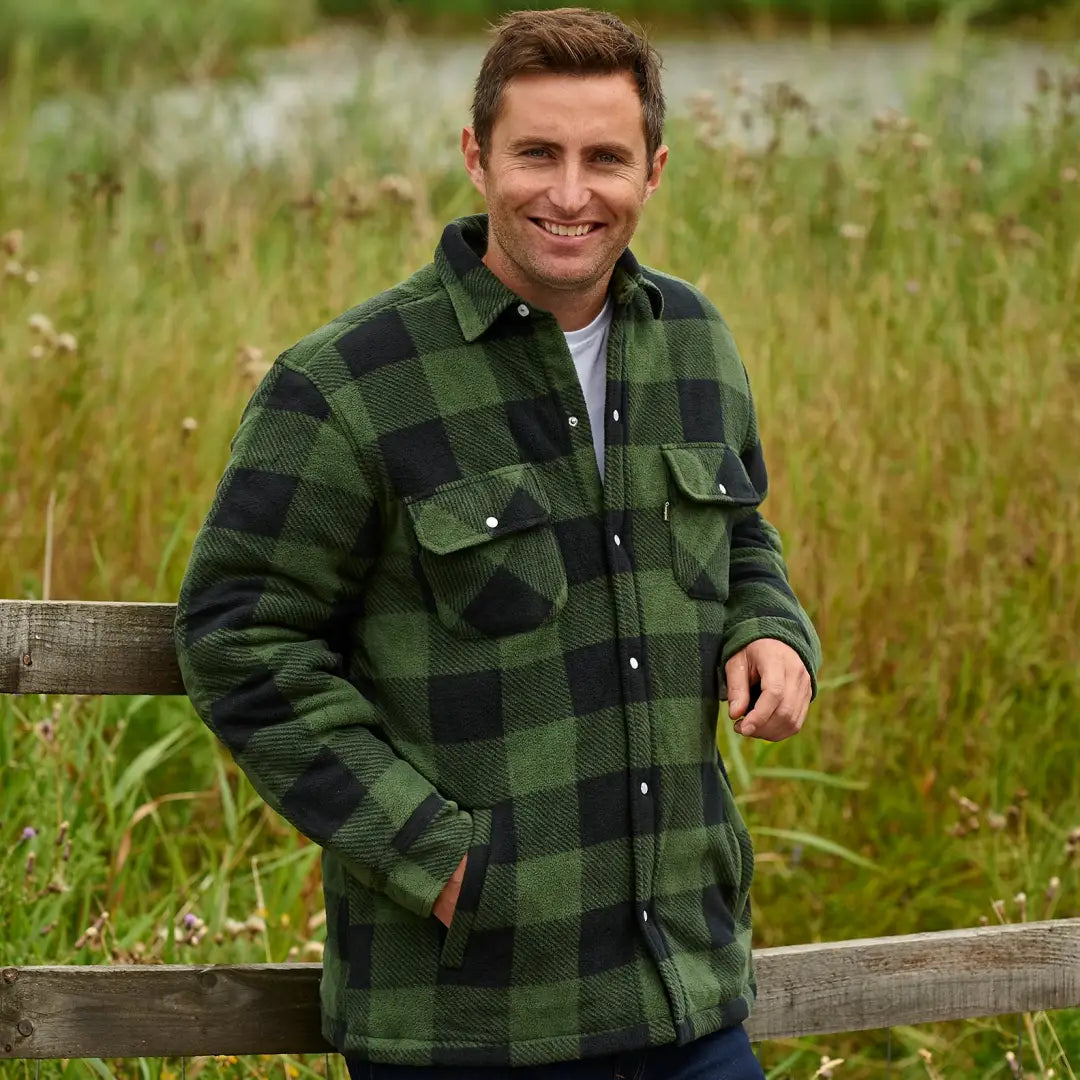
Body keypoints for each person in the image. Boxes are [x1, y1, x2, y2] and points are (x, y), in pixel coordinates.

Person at [173, 7, 821, 1078]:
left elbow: (740, 528)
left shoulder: (697, 342)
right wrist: (440, 863)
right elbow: (238, 638)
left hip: (687, 996)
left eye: (604, 158)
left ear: (654, 171)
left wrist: (769, 625)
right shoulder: (345, 384)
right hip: (467, 1020)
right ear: (476, 157)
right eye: (536, 154)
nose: (570, 193)